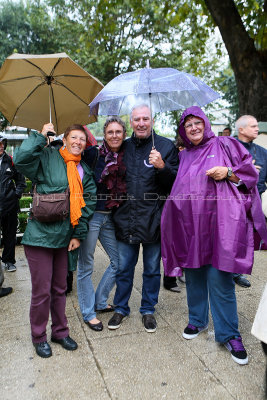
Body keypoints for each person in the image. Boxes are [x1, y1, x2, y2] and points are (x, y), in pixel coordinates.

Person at [161, 106, 267, 365]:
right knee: (194, 275)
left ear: (206, 124)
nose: (194, 128)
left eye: (198, 123)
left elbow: (251, 174)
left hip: (221, 225)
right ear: (183, 131)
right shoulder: (183, 156)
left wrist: (227, 173)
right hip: (191, 228)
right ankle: (197, 321)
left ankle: (230, 334)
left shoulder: (225, 144)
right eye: (188, 125)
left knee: (220, 280)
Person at [14, 123, 96, 358]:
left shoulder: (85, 171)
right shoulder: (48, 157)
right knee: (42, 291)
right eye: (74, 137)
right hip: (39, 236)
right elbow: (20, 160)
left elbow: (87, 206)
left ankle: (60, 332)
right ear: (66, 138)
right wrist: (41, 136)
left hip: (64, 239)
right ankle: (38, 336)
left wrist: (78, 235)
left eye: (82, 138)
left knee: (59, 289)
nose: (78, 142)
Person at [108, 104, 178, 333]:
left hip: (154, 221)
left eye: (145, 118)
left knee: (151, 269)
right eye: (136, 119)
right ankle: (121, 307)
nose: (141, 123)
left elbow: (176, 183)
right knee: (124, 268)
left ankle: (148, 310)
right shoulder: (123, 147)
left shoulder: (166, 146)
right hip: (126, 219)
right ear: (131, 122)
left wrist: (162, 166)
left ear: (152, 120)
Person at [77, 116, 126, 331]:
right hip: (90, 216)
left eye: (118, 132)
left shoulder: (124, 156)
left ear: (123, 135)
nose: (114, 135)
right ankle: (89, 313)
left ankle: (100, 300)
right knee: (85, 267)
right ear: (104, 135)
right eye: (110, 132)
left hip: (109, 216)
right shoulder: (92, 154)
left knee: (119, 262)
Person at [233, 115, 267, 288]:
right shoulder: (228, 147)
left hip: (254, 203)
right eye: (253, 126)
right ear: (241, 129)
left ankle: (237, 272)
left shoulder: (262, 152)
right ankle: (225, 268)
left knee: (246, 238)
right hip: (231, 201)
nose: (257, 129)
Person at [0, 135, 26, 272]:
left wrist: (15, 195)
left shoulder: (10, 161)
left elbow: (21, 182)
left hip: (9, 206)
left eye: (3, 143)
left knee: (9, 235)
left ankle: (9, 261)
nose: (2, 146)